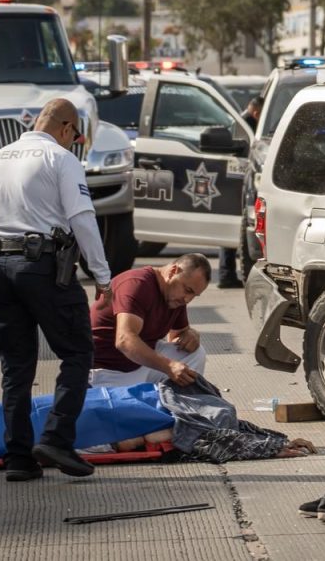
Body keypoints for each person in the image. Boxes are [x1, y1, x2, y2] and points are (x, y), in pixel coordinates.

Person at [0, 97, 113, 483]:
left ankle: (18, 458)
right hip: (44, 269)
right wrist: (102, 276)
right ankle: (57, 439)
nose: (73, 142)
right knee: (78, 352)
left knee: (15, 368)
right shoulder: (61, 160)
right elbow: (82, 219)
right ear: (66, 128)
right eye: (74, 135)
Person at [89, 254, 211, 389]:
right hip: (107, 371)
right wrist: (168, 366)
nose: (187, 299)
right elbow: (124, 340)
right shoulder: (137, 284)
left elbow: (177, 337)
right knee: (135, 409)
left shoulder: (175, 296)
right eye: (188, 290)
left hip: (141, 365)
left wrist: (190, 334)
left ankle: (181, 402)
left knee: (194, 352)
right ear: (173, 271)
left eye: (194, 295)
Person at [217, 96, 263, 288]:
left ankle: (226, 273)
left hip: (235, 180)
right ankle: (226, 273)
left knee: (230, 226)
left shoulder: (240, 123)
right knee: (231, 227)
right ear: (257, 113)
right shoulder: (244, 126)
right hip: (236, 181)